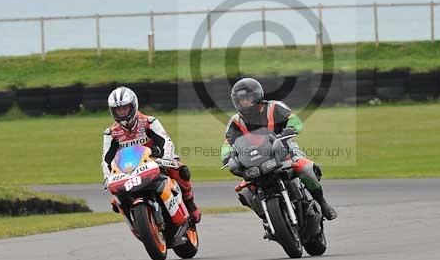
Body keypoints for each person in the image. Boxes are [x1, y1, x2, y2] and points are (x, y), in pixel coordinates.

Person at [220, 77, 337, 220]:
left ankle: (322, 203)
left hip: (284, 148)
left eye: (248, 98)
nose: (244, 102)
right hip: (254, 158)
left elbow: (294, 119)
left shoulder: (274, 107)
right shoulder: (236, 121)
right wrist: (226, 156)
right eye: (241, 99)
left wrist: (290, 128)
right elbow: (228, 142)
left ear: (257, 96)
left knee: (305, 168)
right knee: (246, 191)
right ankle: (268, 219)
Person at [101, 86, 201, 222]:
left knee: (181, 171)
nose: (122, 112)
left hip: (154, 160)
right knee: (115, 202)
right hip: (127, 169)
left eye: (125, 108)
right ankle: (137, 222)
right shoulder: (111, 133)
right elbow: (107, 159)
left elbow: (166, 140)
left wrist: (166, 158)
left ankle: (190, 203)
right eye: (118, 110)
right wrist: (108, 177)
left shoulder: (148, 122)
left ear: (133, 106)